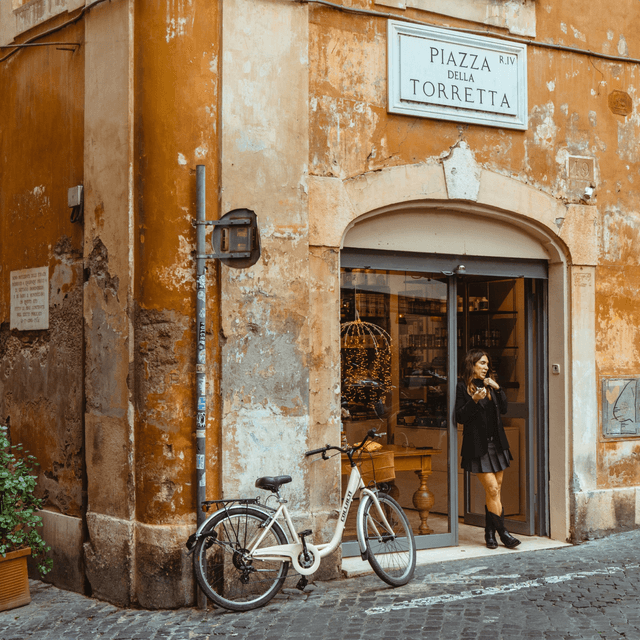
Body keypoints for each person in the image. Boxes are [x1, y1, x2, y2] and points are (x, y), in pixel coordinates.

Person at [455, 348, 521, 550]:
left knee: (496, 490)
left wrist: (498, 388)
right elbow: (459, 417)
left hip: (497, 444)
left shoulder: (490, 385)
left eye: (486, 364)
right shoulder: (461, 387)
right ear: (472, 365)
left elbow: (503, 409)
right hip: (478, 445)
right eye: (482, 363)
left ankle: (489, 533)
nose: (486, 367)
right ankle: (504, 534)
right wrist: (474, 401)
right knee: (492, 488)